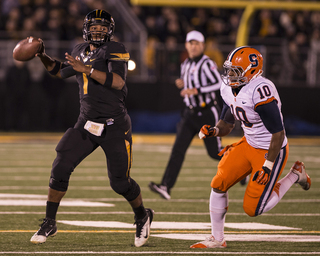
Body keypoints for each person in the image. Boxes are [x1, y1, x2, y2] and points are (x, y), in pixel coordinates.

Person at [29, 9, 153, 247]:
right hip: (86, 124)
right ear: (86, 29)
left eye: (102, 28)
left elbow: (118, 82)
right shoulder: (78, 50)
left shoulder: (115, 49)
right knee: (61, 164)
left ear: (110, 31)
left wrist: (87, 70)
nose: (98, 31)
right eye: (94, 27)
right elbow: (58, 71)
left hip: (114, 125)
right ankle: (49, 221)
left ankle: (142, 215)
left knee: (120, 183)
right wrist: (42, 55)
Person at [190, 46, 311, 249]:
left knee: (254, 208)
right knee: (218, 183)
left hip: (271, 149)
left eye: (235, 71)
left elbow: (278, 133)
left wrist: (268, 165)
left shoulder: (260, 90)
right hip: (249, 143)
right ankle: (217, 239)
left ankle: (295, 174)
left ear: (251, 71)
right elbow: (227, 123)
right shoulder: (228, 88)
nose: (229, 75)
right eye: (229, 70)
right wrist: (214, 131)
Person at [149, 30, 223, 200]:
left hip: (207, 112)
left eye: (197, 43)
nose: (193, 46)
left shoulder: (206, 63)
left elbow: (218, 83)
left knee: (215, 153)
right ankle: (166, 186)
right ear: (186, 45)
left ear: (203, 46)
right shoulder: (185, 64)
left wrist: (197, 90)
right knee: (177, 150)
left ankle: (242, 168)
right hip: (189, 114)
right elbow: (187, 84)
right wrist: (181, 84)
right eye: (191, 43)